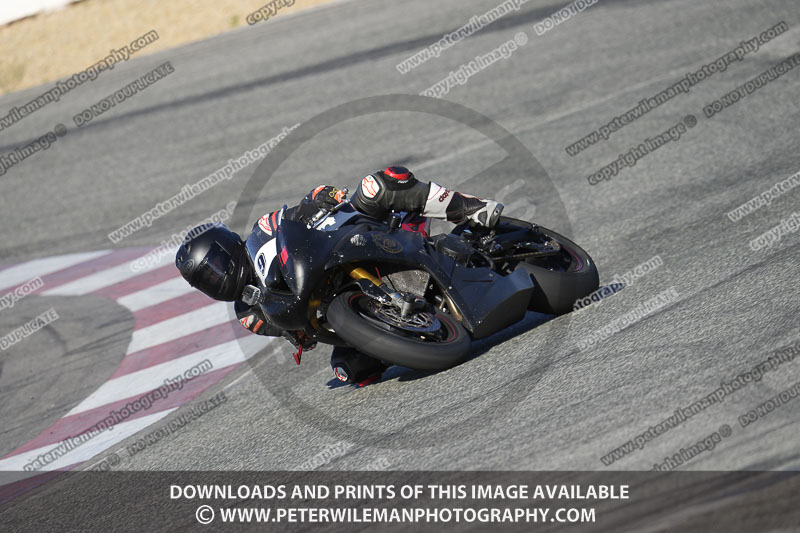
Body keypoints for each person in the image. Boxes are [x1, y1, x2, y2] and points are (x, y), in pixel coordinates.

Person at [175, 166, 502, 385]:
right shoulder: (249, 314)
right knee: (348, 370)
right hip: (344, 305)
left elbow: (298, 214)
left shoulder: (263, 229)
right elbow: (305, 336)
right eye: (206, 281)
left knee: (378, 185)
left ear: (228, 249)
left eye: (213, 268)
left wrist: (319, 198)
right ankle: (417, 331)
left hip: (354, 237)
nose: (215, 279)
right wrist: (299, 334)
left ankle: (471, 208)